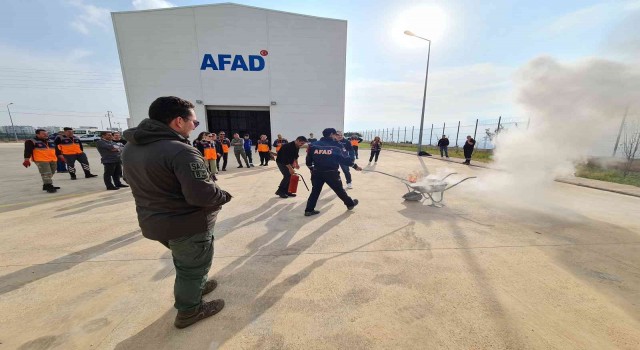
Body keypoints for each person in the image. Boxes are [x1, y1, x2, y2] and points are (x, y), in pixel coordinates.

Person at [122, 96, 232, 329]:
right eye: (194, 122)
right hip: (185, 223)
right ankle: (190, 311)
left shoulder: (132, 147)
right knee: (192, 268)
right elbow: (201, 195)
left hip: (154, 220)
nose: (195, 127)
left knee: (184, 260)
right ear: (178, 121)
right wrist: (223, 196)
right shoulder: (180, 151)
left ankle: (197, 287)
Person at [304, 128, 362, 216]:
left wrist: (312, 169)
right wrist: (355, 166)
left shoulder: (313, 145)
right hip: (331, 173)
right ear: (331, 134)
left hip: (317, 172)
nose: (336, 136)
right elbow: (344, 159)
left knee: (315, 191)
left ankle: (309, 210)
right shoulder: (337, 145)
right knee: (339, 190)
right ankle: (350, 204)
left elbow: (308, 160)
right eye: (335, 134)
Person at [23, 129, 60, 193]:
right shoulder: (31, 141)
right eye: (43, 133)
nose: (46, 135)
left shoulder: (51, 141)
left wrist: (60, 156)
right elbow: (27, 151)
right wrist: (26, 160)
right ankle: (49, 185)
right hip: (40, 160)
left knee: (52, 172)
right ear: (37, 134)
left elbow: (56, 150)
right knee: (46, 173)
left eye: (46, 133)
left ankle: (45, 185)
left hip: (52, 159)